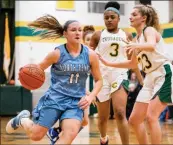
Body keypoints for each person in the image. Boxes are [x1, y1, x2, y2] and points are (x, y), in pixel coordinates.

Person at [6, 14, 103, 145]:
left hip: (75, 102)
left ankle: (55, 132)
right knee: (36, 136)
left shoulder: (91, 56)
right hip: (55, 98)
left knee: (70, 134)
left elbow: (99, 80)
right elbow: (37, 69)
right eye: (73, 30)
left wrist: (91, 96)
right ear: (65, 34)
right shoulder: (56, 54)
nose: (77, 33)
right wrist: (24, 72)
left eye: (80, 30)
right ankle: (22, 120)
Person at [99, 4, 173, 144]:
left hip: (163, 74)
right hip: (149, 79)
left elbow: (151, 45)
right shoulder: (136, 39)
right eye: (130, 14)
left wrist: (134, 46)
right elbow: (132, 64)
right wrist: (107, 63)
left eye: (134, 14)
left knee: (151, 117)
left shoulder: (149, 30)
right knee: (134, 120)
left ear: (144, 18)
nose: (130, 17)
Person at [89, 1, 143, 144]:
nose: (109, 20)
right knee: (102, 118)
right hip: (102, 77)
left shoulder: (127, 35)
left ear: (118, 18)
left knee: (120, 113)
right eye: (106, 18)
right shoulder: (97, 35)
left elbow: (133, 62)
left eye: (112, 17)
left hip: (119, 74)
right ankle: (103, 138)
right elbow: (87, 57)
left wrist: (141, 80)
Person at [47, 25, 96, 144]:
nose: (90, 42)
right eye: (87, 39)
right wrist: (87, 93)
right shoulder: (77, 54)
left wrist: (90, 93)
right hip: (72, 93)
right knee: (78, 121)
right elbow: (71, 79)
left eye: (92, 40)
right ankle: (58, 133)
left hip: (81, 91)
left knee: (84, 121)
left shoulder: (90, 55)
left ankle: (56, 132)